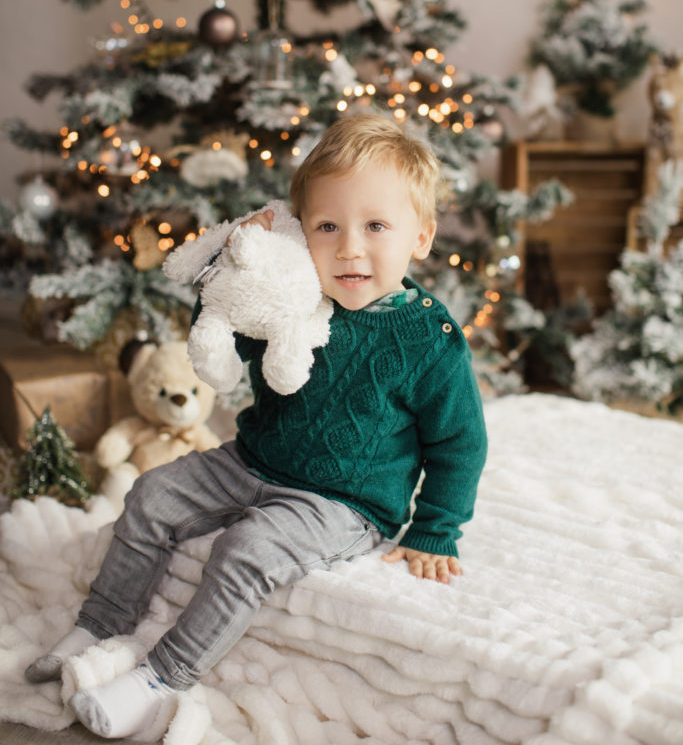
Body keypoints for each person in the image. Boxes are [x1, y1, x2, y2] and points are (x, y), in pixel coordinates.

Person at [25, 112, 488, 740]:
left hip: (344, 502)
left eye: (376, 226)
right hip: (248, 459)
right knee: (151, 494)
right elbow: (227, 332)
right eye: (328, 226)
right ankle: (101, 624)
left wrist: (436, 527)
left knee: (248, 549)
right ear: (301, 232)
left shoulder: (430, 340)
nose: (350, 247)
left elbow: (460, 442)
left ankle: (161, 677)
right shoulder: (292, 295)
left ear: (421, 237)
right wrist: (236, 270)